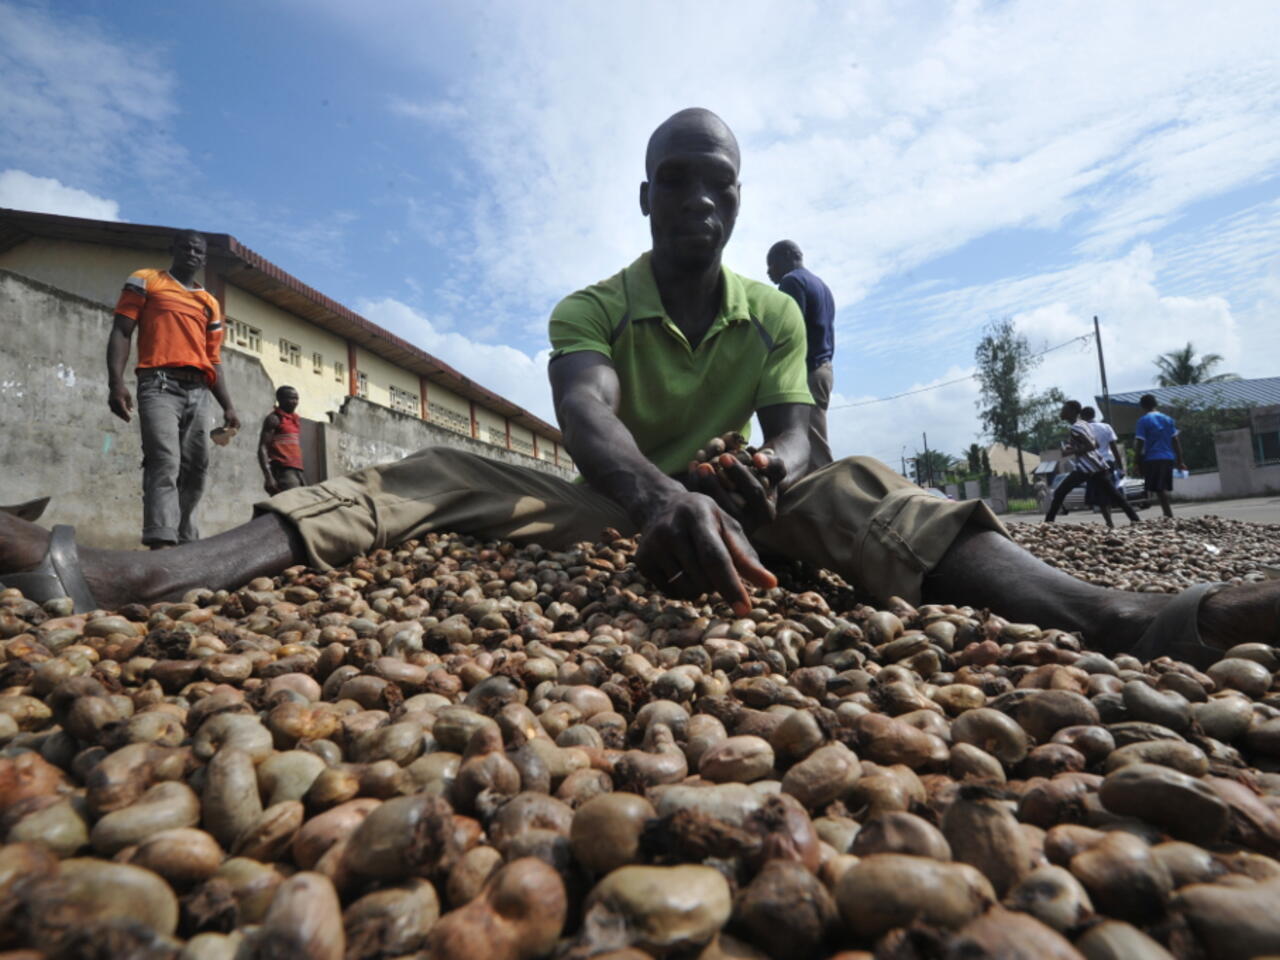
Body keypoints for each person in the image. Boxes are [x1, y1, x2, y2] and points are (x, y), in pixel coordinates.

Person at [3, 108, 1276, 669]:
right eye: (679, 179)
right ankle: (129, 572)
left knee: (857, 482)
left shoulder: (770, 308)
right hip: (619, 501)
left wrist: (756, 478)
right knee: (429, 472)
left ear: (736, 202)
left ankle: (1114, 619)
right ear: (646, 197)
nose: (701, 199)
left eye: (720, 182)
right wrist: (662, 496)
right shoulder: (592, 306)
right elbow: (588, 424)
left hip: (738, 508)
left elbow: (790, 430)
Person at [106, 230, 240, 548]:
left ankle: (184, 539)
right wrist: (116, 382)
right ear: (173, 249)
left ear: (204, 258)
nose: (193, 254)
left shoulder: (209, 302)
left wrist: (229, 405)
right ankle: (160, 541)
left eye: (199, 251)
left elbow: (213, 358)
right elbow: (122, 331)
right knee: (165, 459)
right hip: (158, 384)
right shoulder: (146, 280)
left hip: (199, 391)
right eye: (187, 248)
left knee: (196, 466)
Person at [767, 240, 835, 471]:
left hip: (807, 372)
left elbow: (788, 331)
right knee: (813, 436)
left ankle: (830, 495)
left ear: (786, 257)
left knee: (809, 443)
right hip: (824, 368)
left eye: (771, 265)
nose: (769, 272)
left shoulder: (792, 281)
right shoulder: (821, 285)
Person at [1044, 400, 1140, 528]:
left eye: (1064, 409)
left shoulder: (1076, 427)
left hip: (1086, 467)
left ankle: (1048, 523)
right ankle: (1136, 519)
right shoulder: (1083, 424)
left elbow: (1092, 445)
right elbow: (1092, 443)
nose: (1061, 412)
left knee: (1060, 492)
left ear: (1072, 412)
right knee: (1115, 495)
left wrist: (1071, 451)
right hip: (1098, 466)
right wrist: (1071, 447)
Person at [1134, 394, 1188, 519]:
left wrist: (1136, 462)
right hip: (1168, 457)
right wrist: (1180, 460)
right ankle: (1167, 513)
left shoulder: (1143, 421)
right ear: (1156, 404)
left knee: (1158, 488)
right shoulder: (1168, 419)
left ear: (1142, 406)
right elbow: (1175, 440)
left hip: (1153, 457)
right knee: (1160, 487)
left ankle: (1168, 514)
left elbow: (1140, 443)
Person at [1080, 405, 1132, 525]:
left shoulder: (1083, 429)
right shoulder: (1106, 426)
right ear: (1094, 415)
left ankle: (1109, 521)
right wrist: (1120, 466)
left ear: (1082, 417)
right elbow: (1114, 448)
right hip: (1109, 462)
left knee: (1100, 494)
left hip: (1093, 463)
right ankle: (1119, 517)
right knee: (1110, 490)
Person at [259, 386, 306, 494]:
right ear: (280, 399)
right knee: (291, 504)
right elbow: (262, 448)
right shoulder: (274, 419)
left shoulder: (295, 419)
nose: (295, 402)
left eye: (297, 399)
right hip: (283, 471)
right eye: (291, 398)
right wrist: (268, 477)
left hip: (297, 470)